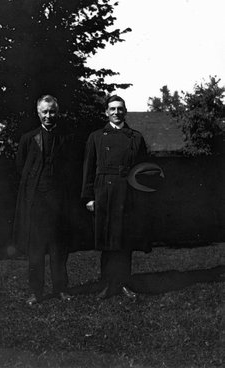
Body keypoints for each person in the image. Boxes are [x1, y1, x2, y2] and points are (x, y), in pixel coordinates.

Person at [81, 95, 150, 299]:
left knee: (125, 241)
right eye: (112, 109)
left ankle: (123, 283)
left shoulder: (136, 138)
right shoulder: (96, 137)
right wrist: (89, 197)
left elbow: (143, 170)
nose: (116, 113)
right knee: (107, 241)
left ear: (125, 111)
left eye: (120, 109)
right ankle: (107, 284)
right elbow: (88, 169)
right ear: (106, 112)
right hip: (104, 193)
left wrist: (140, 197)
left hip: (128, 194)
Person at [13, 94, 72, 305]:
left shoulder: (65, 138)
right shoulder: (28, 139)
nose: (49, 115)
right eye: (44, 112)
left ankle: (61, 289)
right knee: (35, 251)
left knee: (59, 249)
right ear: (38, 113)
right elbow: (22, 168)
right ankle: (36, 292)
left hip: (58, 204)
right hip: (35, 204)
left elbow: (69, 170)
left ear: (58, 112)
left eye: (52, 111)